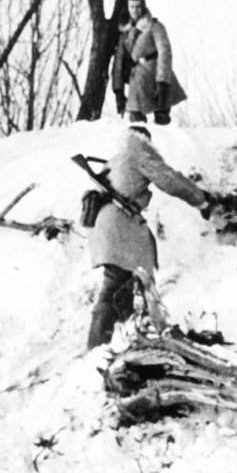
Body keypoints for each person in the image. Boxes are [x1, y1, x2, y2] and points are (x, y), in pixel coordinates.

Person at [85, 126, 209, 350]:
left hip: (111, 221)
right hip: (119, 223)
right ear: (145, 139)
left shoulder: (117, 158)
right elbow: (168, 179)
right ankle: (97, 349)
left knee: (125, 285)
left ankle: (122, 342)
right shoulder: (138, 150)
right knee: (114, 286)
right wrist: (200, 199)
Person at [111, 0, 187, 125]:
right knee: (136, 122)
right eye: (131, 7)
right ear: (127, 7)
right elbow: (118, 62)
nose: (135, 10)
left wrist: (162, 83)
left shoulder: (155, 26)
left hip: (155, 77)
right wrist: (118, 92)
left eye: (138, 6)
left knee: (162, 122)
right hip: (137, 81)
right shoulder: (124, 32)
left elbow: (164, 53)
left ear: (143, 6)